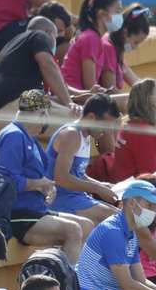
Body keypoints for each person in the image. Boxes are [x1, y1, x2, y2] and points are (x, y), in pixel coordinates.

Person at [0, 90, 93, 263]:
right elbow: (3, 181)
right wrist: (36, 184)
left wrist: (48, 189)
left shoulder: (29, 138)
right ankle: (67, 285)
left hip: (35, 208)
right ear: (42, 114)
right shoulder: (14, 136)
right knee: (73, 230)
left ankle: (58, 273)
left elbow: (38, 178)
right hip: (16, 213)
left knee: (86, 226)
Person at [0, 5, 85, 115]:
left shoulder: (15, 49)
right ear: (49, 33)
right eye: (56, 37)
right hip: (17, 109)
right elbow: (48, 66)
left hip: (2, 114)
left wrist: (74, 100)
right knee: (85, 121)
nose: (56, 42)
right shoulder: (39, 35)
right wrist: (69, 103)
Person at [43, 93, 121, 222]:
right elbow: (61, 177)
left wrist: (100, 184)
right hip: (60, 199)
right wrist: (97, 188)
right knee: (118, 220)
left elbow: (77, 173)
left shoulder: (87, 135)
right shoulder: (71, 134)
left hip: (75, 197)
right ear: (91, 117)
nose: (108, 132)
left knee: (120, 217)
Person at [107, 78, 156, 182]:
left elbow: (147, 153)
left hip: (124, 185)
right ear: (148, 98)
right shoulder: (144, 131)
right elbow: (150, 176)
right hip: (133, 192)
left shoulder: (131, 123)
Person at [61, 0, 122, 90]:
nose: (120, 16)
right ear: (102, 14)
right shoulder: (90, 38)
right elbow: (90, 86)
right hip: (75, 97)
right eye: (117, 12)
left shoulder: (95, 38)